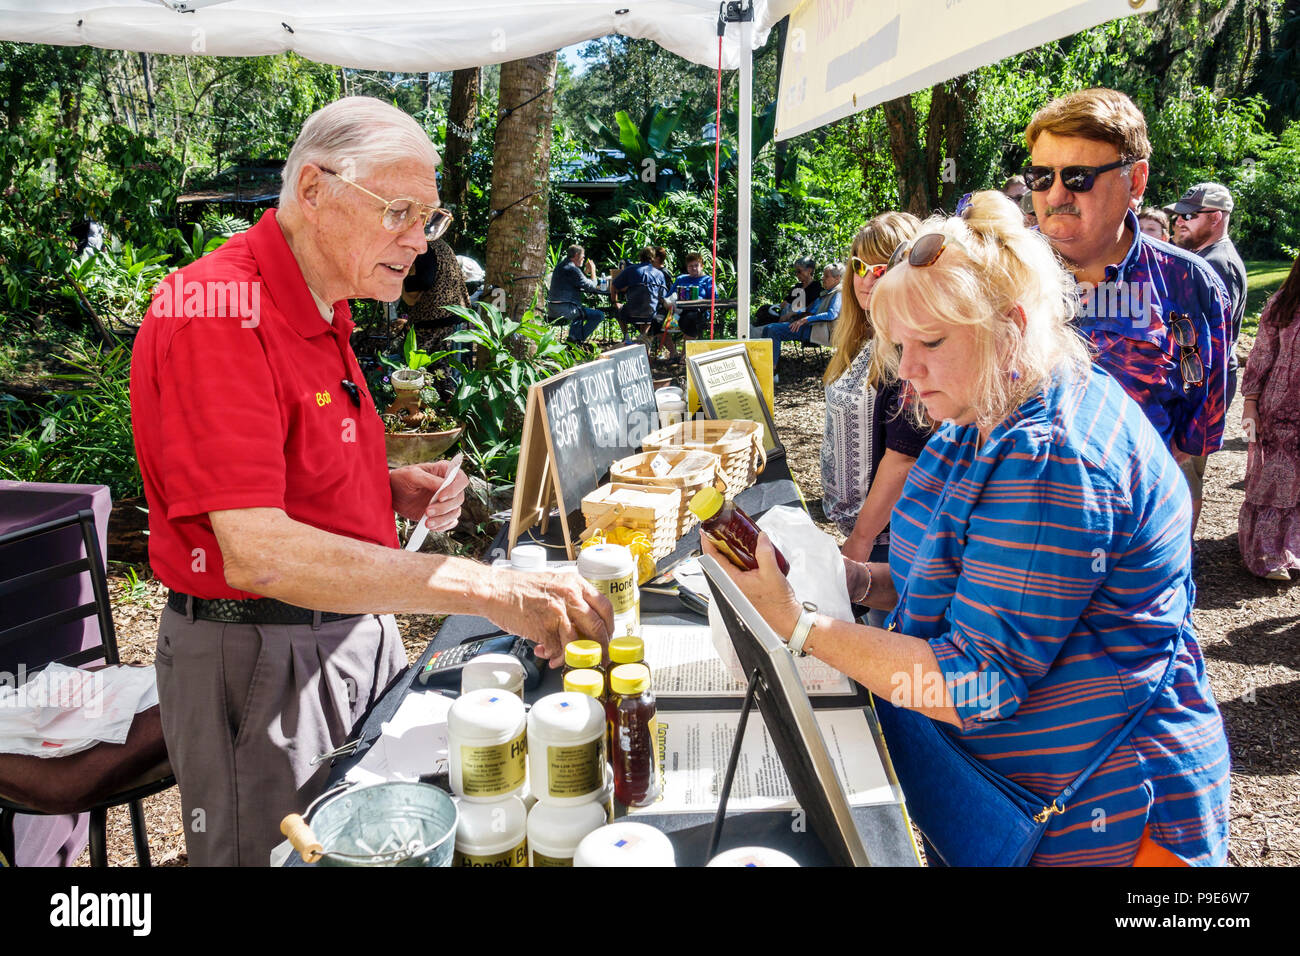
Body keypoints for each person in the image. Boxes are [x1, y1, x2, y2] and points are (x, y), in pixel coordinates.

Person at [130, 97, 614, 866]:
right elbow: (257, 551)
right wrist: (483, 588)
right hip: (263, 651)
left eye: (429, 217)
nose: (419, 243)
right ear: (314, 191)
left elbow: (280, 465)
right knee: (276, 854)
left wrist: (385, 487)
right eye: (398, 211)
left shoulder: (322, 301)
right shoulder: (217, 310)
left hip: (343, 630)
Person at [705, 191, 1230, 866]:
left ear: (1011, 325)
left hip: (1103, 813)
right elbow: (953, 571)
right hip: (1028, 787)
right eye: (897, 344)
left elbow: (976, 688)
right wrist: (851, 577)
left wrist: (800, 627)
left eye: (930, 342)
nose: (909, 370)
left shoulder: (1050, 460)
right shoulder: (989, 403)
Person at [1023, 89, 1233, 538]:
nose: (1055, 195)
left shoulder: (1188, 286)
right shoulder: (1000, 278)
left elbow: (1196, 434)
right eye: (1041, 176)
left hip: (1130, 539)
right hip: (1014, 539)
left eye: (1078, 176)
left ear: (1135, 182)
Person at [821, 213, 930, 586]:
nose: (866, 279)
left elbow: (904, 457)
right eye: (859, 266)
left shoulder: (907, 346)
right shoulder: (867, 338)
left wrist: (860, 541)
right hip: (867, 532)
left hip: (895, 539)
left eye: (880, 268)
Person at [1238, 255, 1300, 581]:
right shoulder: (1284, 304)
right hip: (1281, 408)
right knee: (1275, 484)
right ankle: (1269, 554)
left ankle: (1294, 549)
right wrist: (1250, 404)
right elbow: (1261, 356)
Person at [401, 239, 471, 400]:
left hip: (433, 316)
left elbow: (425, 280)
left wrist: (401, 280)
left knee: (416, 366)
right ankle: (446, 404)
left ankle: (417, 404)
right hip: (452, 313)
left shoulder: (425, 247)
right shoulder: (440, 245)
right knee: (441, 364)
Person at [759, 263, 843, 366]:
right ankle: (764, 366)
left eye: (826, 276)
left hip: (817, 331)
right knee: (768, 329)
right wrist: (792, 313)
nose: (822, 278)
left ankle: (771, 370)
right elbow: (810, 309)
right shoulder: (826, 293)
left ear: (837, 278)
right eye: (823, 275)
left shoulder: (838, 293)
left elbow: (832, 314)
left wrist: (806, 319)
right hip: (810, 327)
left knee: (773, 330)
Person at [547, 243, 610, 344]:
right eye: (583, 257)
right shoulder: (572, 269)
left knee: (580, 310)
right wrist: (593, 271)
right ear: (577, 255)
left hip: (553, 308)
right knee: (599, 315)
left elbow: (577, 282)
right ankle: (578, 340)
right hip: (566, 309)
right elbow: (592, 286)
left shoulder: (561, 266)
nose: (584, 259)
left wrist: (585, 272)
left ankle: (573, 338)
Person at [611, 245, 670, 345]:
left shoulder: (630, 270)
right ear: (653, 258)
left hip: (631, 311)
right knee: (650, 307)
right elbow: (662, 297)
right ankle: (643, 336)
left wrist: (615, 302)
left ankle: (626, 336)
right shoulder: (659, 274)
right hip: (651, 313)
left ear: (640, 256)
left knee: (618, 310)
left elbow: (614, 285)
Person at [753, 257, 822, 327]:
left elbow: (810, 306)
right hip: (786, 312)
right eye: (796, 272)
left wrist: (791, 311)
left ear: (809, 270)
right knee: (764, 309)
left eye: (799, 271)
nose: (797, 274)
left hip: (796, 316)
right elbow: (786, 301)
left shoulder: (816, 287)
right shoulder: (798, 286)